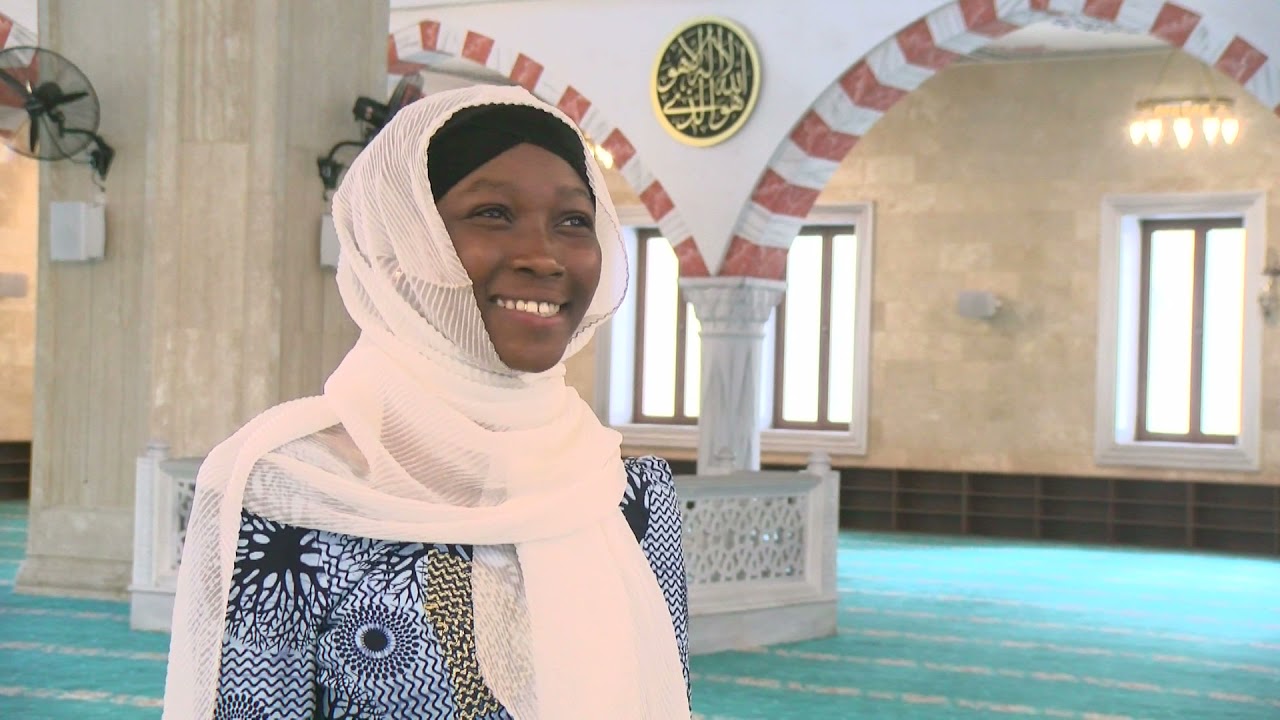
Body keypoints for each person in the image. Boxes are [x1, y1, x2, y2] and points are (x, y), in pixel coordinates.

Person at [162, 85, 692, 719]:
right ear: (401, 249)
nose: (544, 256)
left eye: (573, 221)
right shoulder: (287, 491)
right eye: (493, 212)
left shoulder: (626, 493)